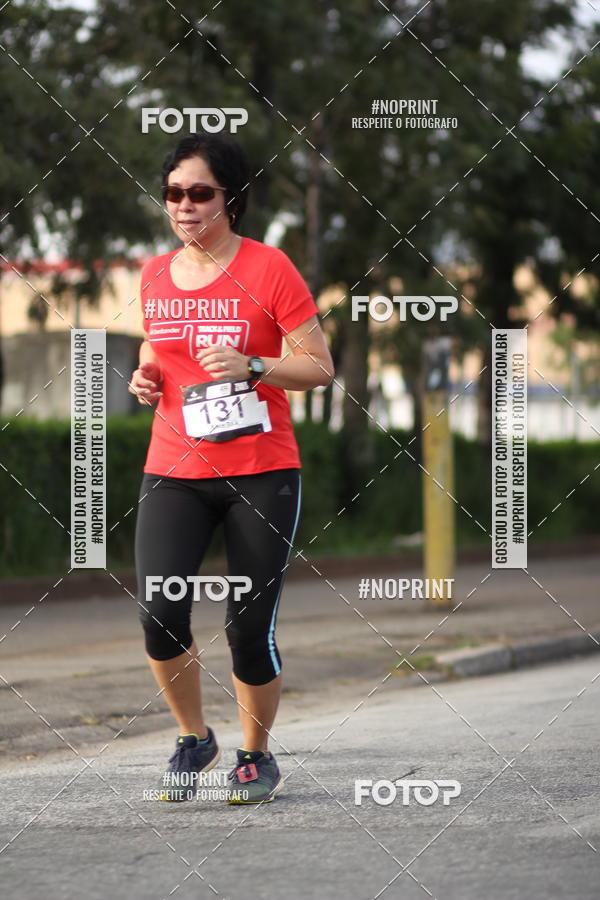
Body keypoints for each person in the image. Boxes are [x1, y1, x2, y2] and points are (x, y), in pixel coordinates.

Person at [129, 132, 334, 804]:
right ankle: (194, 737)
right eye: (172, 195)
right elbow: (155, 346)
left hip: (259, 470)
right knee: (160, 611)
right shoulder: (154, 273)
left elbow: (319, 367)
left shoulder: (270, 269)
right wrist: (146, 377)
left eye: (199, 194)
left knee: (247, 626)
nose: (183, 207)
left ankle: (255, 753)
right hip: (174, 467)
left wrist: (254, 365)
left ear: (232, 200)